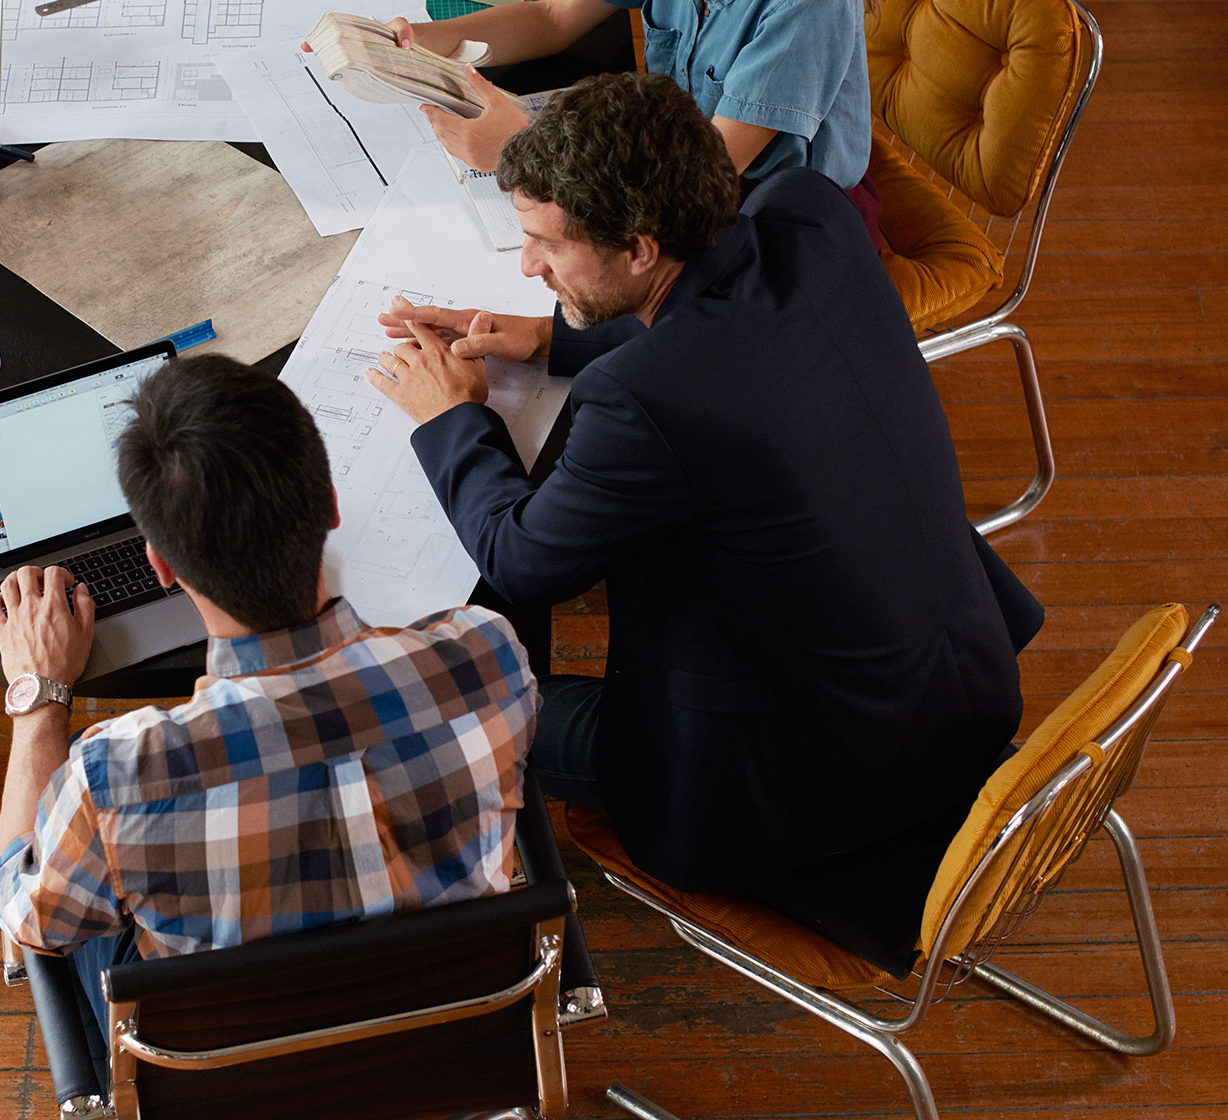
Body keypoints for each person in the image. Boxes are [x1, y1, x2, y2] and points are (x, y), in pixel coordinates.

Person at [369, 72, 1043, 973]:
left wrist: (451, 416)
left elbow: (524, 559)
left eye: (544, 246)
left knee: (437, 719)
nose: (528, 267)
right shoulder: (811, 217)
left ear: (640, 247)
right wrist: (548, 333)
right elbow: (710, 316)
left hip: (795, 779)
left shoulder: (645, 399)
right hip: (954, 686)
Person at [0, 354, 549, 1052]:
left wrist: (39, 699)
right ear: (332, 507)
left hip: (240, 1073)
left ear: (162, 567)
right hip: (447, 1041)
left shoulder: (115, 778)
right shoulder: (487, 655)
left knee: (82, 909)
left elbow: (28, 921)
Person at [370, 0, 876, 229]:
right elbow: (550, 16)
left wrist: (523, 147)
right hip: (672, 160)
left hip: (774, 209)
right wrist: (418, 42)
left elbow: (704, 181)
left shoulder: (809, 7)